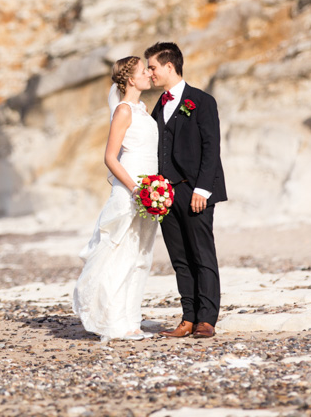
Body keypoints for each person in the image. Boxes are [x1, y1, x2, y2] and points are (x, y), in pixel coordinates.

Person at [71, 56, 162, 340]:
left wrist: (154, 189)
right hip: (131, 189)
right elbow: (110, 157)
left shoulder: (142, 109)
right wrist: (136, 189)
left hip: (150, 188)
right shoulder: (123, 110)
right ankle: (113, 321)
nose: (149, 74)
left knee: (141, 255)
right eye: (143, 71)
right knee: (120, 253)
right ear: (131, 80)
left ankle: (131, 320)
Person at [145, 41, 227, 339]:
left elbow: (211, 147)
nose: (149, 73)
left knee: (202, 255)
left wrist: (202, 189)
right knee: (180, 259)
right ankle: (188, 318)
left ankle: (207, 319)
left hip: (194, 191)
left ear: (169, 66)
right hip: (165, 194)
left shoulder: (202, 101)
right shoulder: (160, 104)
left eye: (152, 67)